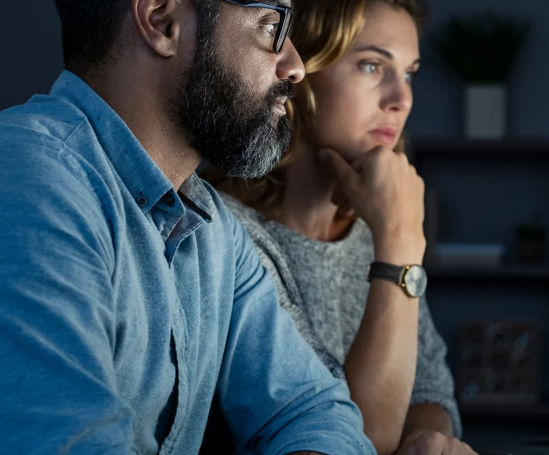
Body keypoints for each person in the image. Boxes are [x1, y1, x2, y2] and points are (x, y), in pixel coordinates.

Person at [0, 0, 379, 454]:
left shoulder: (215, 232)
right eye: (271, 25)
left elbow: (314, 409)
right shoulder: (30, 180)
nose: (296, 66)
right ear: (162, 21)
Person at [207, 1, 472, 454]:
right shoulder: (229, 235)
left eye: (408, 73)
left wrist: (428, 441)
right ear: (299, 68)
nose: (401, 98)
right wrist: (402, 244)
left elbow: (430, 391)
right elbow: (351, 439)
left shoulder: (374, 235)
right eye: (372, 66)